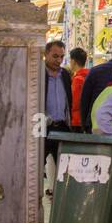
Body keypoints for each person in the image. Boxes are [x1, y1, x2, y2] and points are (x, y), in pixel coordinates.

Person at [41, 40, 72, 174]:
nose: (59, 60)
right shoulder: (39, 73)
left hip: (62, 127)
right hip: (42, 128)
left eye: (61, 57)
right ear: (46, 54)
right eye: (55, 56)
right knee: (35, 168)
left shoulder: (64, 75)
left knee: (65, 170)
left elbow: (68, 99)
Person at [68, 47, 89, 130]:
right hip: (86, 119)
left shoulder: (77, 79)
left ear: (73, 61)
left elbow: (74, 103)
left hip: (76, 120)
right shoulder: (89, 76)